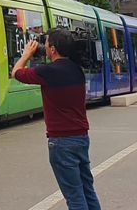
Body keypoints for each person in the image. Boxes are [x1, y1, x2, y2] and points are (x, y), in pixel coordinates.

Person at [11, 28, 101, 210]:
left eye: (46, 44)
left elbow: (17, 73)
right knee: (87, 190)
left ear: (52, 49)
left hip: (61, 142)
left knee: (74, 197)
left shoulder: (48, 72)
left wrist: (26, 54)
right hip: (81, 138)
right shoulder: (77, 70)